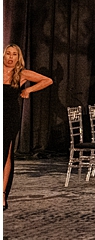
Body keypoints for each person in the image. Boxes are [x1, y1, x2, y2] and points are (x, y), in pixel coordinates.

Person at [4, 44, 52, 210]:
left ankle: (2, 194)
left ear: (19, 58)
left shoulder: (21, 73)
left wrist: (29, 90)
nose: (10, 57)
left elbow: (47, 80)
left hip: (9, 117)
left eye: (14, 55)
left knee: (6, 153)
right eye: (8, 54)